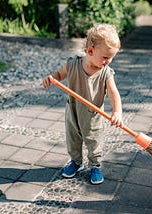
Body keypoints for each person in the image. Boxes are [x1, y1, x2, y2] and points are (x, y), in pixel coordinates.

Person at [42, 23, 123, 185]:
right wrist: (51, 78)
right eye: (106, 57)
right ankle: (76, 162)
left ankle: (95, 165)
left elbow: (114, 93)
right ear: (91, 51)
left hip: (93, 115)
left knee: (93, 141)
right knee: (73, 138)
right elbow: (59, 74)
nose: (109, 61)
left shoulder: (105, 72)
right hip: (72, 111)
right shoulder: (73, 64)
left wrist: (117, 112)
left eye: (112, 57)